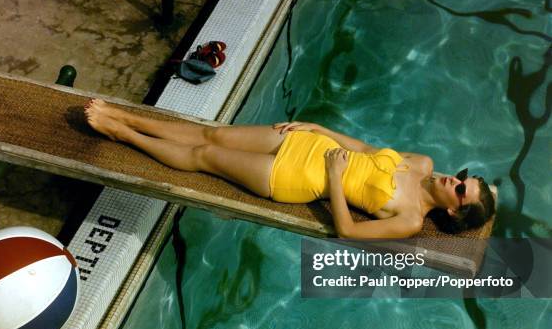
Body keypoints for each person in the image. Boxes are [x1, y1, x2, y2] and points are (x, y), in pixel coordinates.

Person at [84, 99, 495, 239]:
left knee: (202, 159)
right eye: (464, 177)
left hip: (298, 180)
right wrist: (320, 128)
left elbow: (348, 231)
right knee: (213, 136)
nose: (455, 181)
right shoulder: (422, 163)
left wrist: (334, 178)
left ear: (454, 211)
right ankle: (128, 118)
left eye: (462, 190)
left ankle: (123, 134)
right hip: (308, 143)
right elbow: (367, 148)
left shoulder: (408, 219)